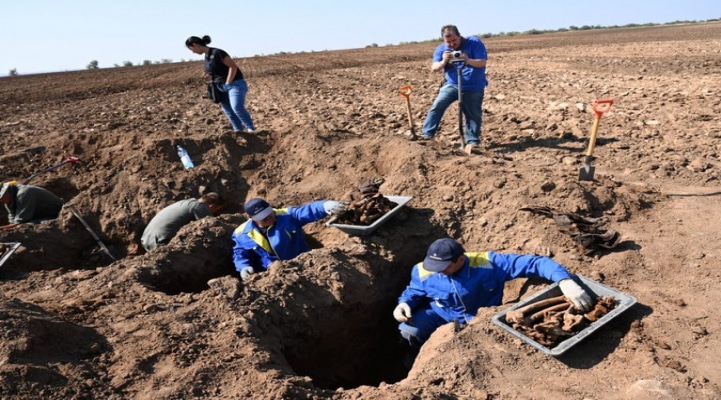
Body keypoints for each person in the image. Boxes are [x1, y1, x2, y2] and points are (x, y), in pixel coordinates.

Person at [393, 238, 592, 355]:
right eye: (433, 266)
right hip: (441, 313)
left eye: (443, 267)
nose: (437, 271)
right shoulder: (422, 270)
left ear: (460, 259)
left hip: (478, 317)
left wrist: (564, 281)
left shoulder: (488, 263)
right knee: (409, 331)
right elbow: (414, 291)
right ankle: (414, 359)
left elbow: (535, 263)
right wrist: (404, 303)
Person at [232, 197, 348, 280]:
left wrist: (324, 206)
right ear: (250, 217)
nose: (269, 217)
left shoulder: (286, 216)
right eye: (263, 217)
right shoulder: (241, 233)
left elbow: (307, 210)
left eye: (269, 212)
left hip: (304, 268)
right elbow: (240, 253)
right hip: (272, 278)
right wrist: (244, 266)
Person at [420, 25, 488, 153]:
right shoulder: (442, 49)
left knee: (473, 114)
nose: (452, 44)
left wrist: (467, 59)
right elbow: (434, 68)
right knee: (437, 105)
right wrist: (444, 61)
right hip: (452, 84)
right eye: (448, 42)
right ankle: (427, 135)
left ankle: (472, 142)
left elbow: (482, 62)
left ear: (459, 35)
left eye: (454, 41)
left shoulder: (474, 42)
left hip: (473, 86)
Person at [185, 35, 256, 134]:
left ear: (195, 45)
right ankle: (239, 131)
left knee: (236, 106)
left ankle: (251, 129)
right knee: (229, 111)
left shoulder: (217, 53)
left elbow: (233, 67)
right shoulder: (206, 57)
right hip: (220, 87)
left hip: (235, 83)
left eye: (191, 49)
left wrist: (228, 83)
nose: (193, 52)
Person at [141, 192, 225, 251]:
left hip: (146, 240)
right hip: (158, 243)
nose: (213, 212)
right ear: (212, 205)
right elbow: (211, 227)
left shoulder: (186, 202)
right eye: (215, 209)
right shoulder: (199, 206)